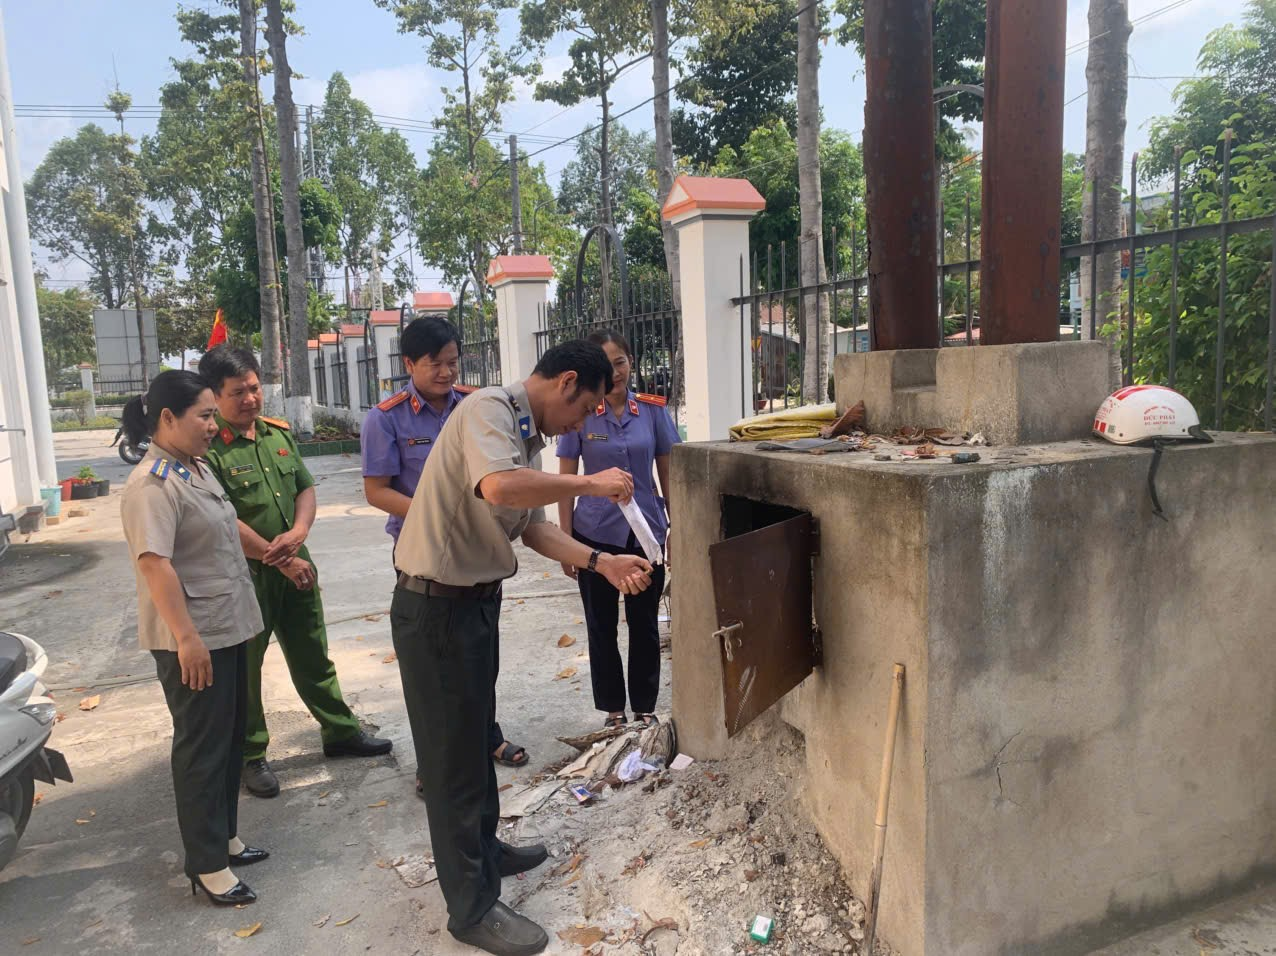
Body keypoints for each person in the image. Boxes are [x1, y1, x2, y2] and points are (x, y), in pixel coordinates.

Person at [392, 340, 653, 956]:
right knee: (452, 763)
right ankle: (471, 909)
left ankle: (486, 850)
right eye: (584, 408)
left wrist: (601, 561)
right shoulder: (489, 409)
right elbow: (502, 488)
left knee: (474, 741)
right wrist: (589, 483)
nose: (581, 424)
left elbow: (531, 527)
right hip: (436, 610)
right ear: (566, 382)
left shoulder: (522, 434)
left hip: (473, 606)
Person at [199, 346, 391, 799]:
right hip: (246, 577)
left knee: (312, 653)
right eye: (237, 393)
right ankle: (250, 755)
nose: (250, 399)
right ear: (214, 396)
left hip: (298, 567)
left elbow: (304, 487)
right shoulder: (208, 450)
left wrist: (300, 531)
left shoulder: (276, 434)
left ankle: (340, 732)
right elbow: (222, 518)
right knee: (246, 670)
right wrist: (281, 559)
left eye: (253, 388)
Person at [360, 317, 528, 801]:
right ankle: (433, 764)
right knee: (434, 673)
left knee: (481, 655)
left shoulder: (476, 407)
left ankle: (486, 736)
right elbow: (376, 490)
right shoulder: (386, 419)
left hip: (478, 550)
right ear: (409, 363)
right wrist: (433, 514)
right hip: (424, 554)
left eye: (453, 362)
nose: (447, 372)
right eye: (435, 364)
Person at [120, 370, 269, 906]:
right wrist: (186, 638)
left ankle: (224, 837)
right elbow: (155, 566)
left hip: (227, 624)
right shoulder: (152, 485)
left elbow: (225, 530)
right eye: (204, 415)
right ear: (167, 418)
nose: (213, 424)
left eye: (212, 414)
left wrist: (275, 553)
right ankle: (207, 866)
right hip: (194, 638)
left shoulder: (194, 468)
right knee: (202, 748)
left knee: (228, 739)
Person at [557, 331, 679, 729]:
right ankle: (613, 709)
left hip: (645, 534)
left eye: (621, 362)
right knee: (601, 625)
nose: (615, 372)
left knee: (644, 625)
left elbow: (668, 473)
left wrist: (675, 527)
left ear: (631, 362)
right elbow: (565, 481)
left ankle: (644, 707)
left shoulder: (654, 411)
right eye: (606, 364)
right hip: (594, 534)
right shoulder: (580, 415)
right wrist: (565, 542)